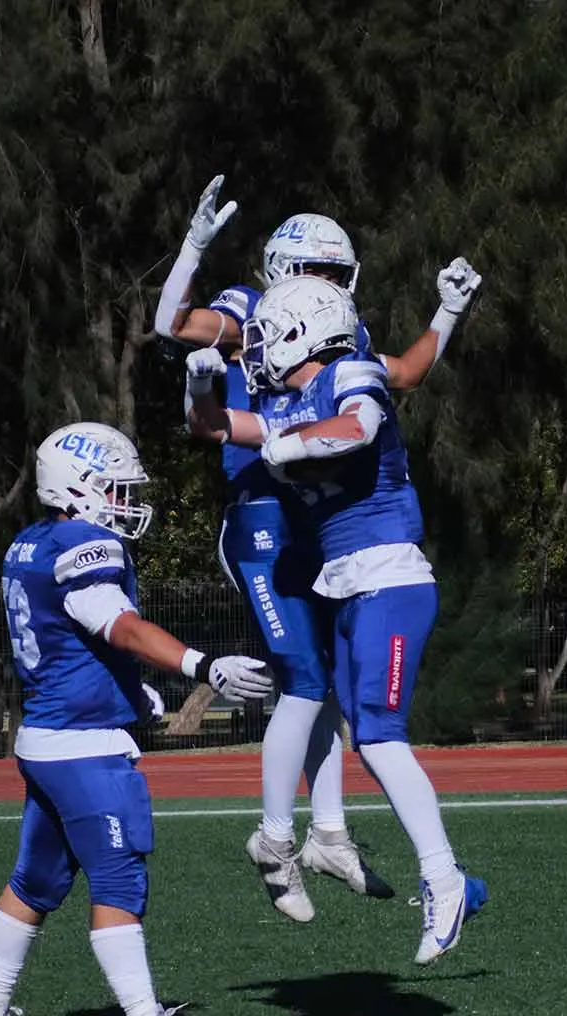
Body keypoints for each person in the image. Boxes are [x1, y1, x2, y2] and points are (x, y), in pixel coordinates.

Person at [153, 175, 480, 923]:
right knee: (303, 679)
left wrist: (449, 311)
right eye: (319, 273)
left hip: (315, 521)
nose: (330, 288)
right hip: (262, 505)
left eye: (337, 276)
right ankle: (277, 838)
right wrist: (192, 250)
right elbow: (176, 330)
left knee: (325, 681)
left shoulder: (341, 339)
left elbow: (404, 376)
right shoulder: (254, 315)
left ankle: (328, 831)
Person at [0, 421, 274, 1016]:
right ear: (75, 486)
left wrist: (131, 695)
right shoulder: (85, 544)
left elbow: (75, 640)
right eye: (113, 486)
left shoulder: (29, 544)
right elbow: (118, 626)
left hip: (46, 733)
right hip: (83, 749)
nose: (124, 500)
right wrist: (200, 666)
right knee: (120, 881)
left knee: (35, 882)